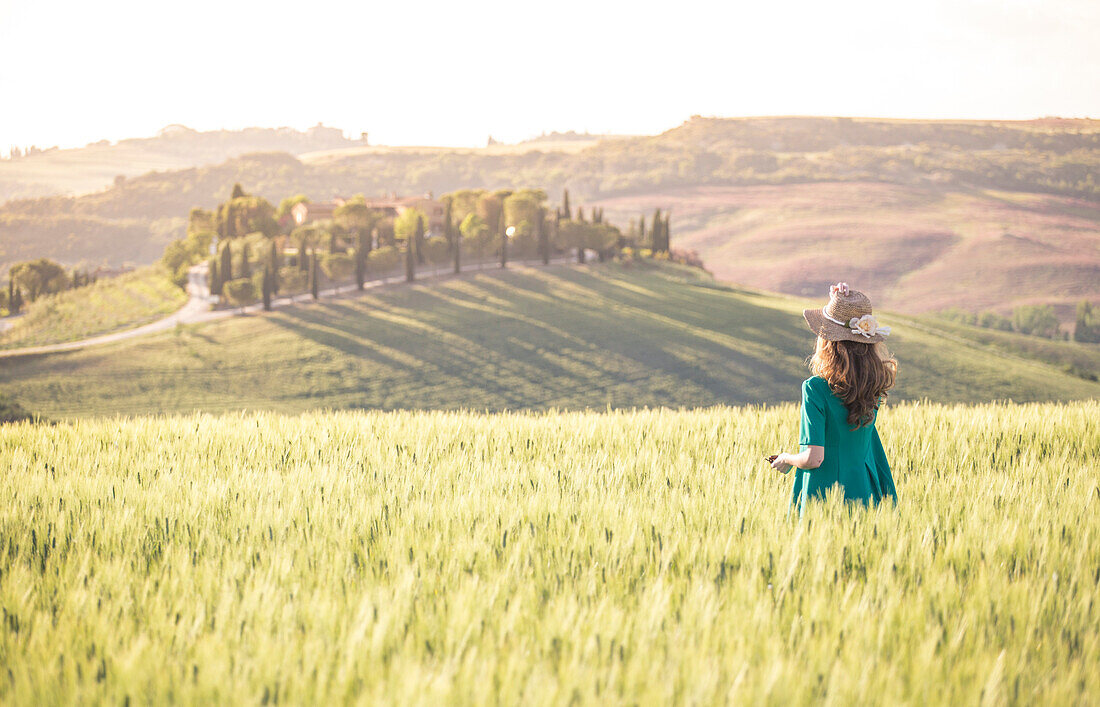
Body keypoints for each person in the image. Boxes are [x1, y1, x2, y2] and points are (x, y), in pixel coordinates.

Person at [770, 282, 898, 516]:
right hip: (865, 493)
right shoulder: (873, 386)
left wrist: (786, 458)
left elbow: (813, 459)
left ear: (828, 341)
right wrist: (839, 303)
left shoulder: (815, 389)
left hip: (825, 497)